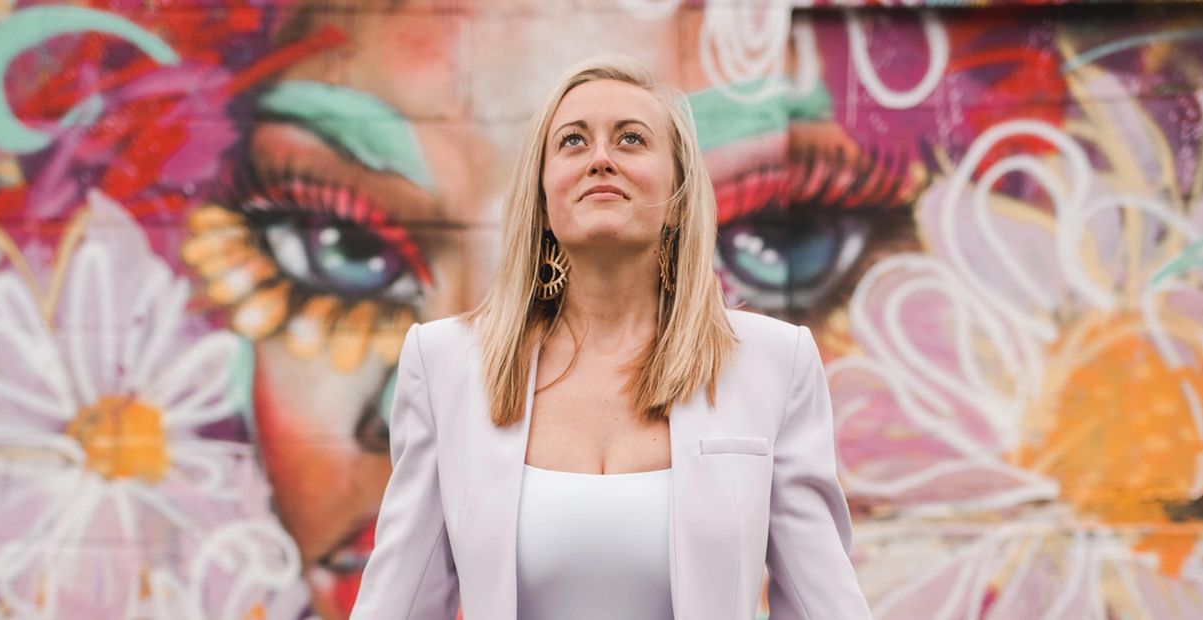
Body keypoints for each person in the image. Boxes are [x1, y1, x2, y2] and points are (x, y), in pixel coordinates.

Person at [349, 56, 872, 620]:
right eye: (573, 141)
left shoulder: (772, 362)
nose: (601, 159)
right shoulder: (447, 364)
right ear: (544, 199)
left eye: (631, 139)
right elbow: (397, 603)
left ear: (677, 197)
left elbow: (826, 604)